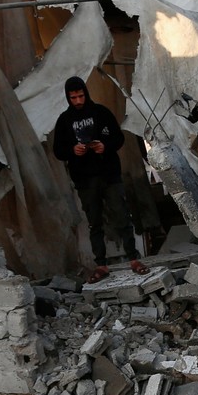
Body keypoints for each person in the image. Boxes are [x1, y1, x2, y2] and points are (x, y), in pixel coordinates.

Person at [53, 76, 149, 283]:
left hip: (109, 175)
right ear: (68, 98)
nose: (78, 101)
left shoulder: (101, 113)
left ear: (86, 94)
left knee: (122, 216)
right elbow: (58, 150)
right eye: (73, 98)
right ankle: (101, 264)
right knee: (94, 222)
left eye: (80, 96)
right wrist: (73, 150)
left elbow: (118, 138)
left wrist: (104, 146)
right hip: (85, 180)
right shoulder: (64, 121)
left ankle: (134, 258)